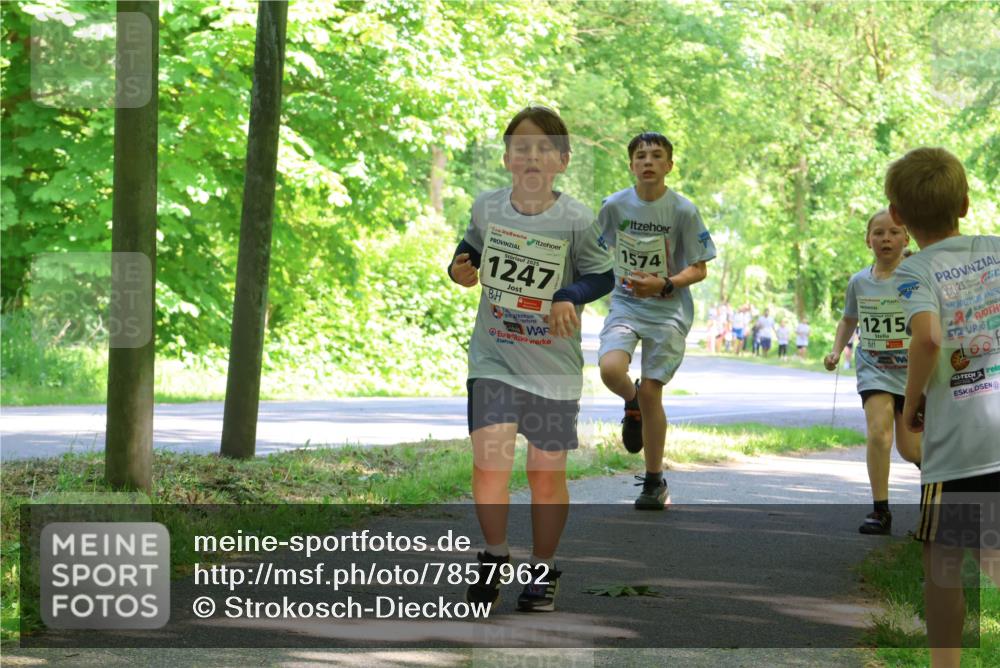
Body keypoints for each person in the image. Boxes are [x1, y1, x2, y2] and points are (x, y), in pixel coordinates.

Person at [448, 106, 614, 612]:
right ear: (507, 158)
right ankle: (494, 556)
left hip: (552, 366)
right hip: (493, 357)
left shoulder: (578, 219)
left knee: (545, 473)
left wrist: (568, 294)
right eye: (521, 147)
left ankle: (543, 569)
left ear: (562, 160)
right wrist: (459, 270)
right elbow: (467, 253)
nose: (532, 155)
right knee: (489, 461)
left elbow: (602, 276)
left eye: (544, 147)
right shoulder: (487, 207)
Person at [887, 147, 999, 666]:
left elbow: (927, 338)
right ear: (966, 203)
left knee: (945, 563)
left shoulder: (915, 272)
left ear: (898, 218)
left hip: (959, 444)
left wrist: (910, 409)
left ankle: (946, 663)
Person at [595, 131, 716, 510]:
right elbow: (593, 254)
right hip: (627, 305)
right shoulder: (613, 206)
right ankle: (630, 404)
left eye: (656, 155)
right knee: (610, 369)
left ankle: (654, 482)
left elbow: (699, 269)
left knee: (653, 392)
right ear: (631, 165)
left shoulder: (683, 211)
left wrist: (665, 283)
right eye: (641, 156)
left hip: (668, 309)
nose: (648, 161)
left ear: (669, 165)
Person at [823, 208, 922, 535]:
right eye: (878, 233)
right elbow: (849, 319)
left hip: (912, 374)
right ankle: (881, 511)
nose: (886, 239)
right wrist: (837, 349)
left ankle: (937, 491)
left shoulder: (915, 277)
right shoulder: (859, 282)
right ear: (868, 240)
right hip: (874, 369)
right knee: (879, 433)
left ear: (905, 238)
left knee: (910, 450)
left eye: (894, 232)